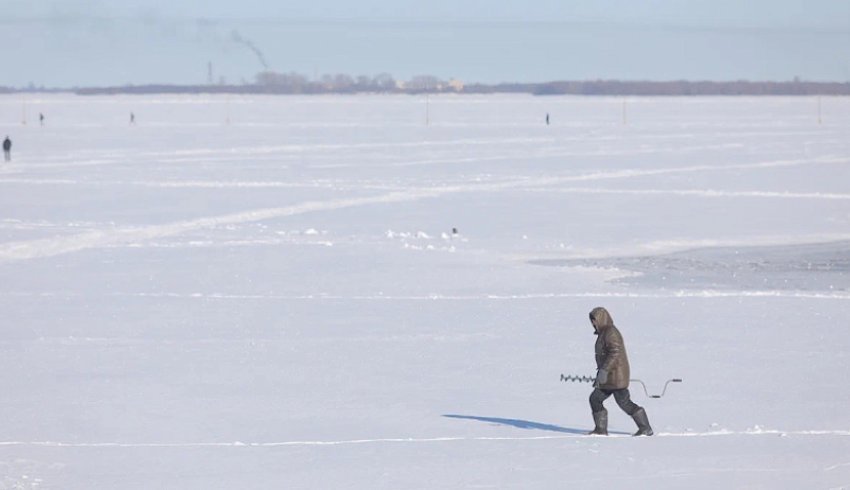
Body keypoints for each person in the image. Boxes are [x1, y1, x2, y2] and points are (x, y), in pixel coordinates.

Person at [587, 307, 653, 436]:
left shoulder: (611, 332)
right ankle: (600, 430)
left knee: (624, 403)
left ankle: (645, 428)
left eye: (594, 320)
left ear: (601, 319)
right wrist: (602, 372)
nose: (593, 323)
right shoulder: (604, 333)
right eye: (592, 321)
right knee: (595, 399)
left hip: (616, 376)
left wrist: (604, 370)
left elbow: (615, 353)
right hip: (608, 376)